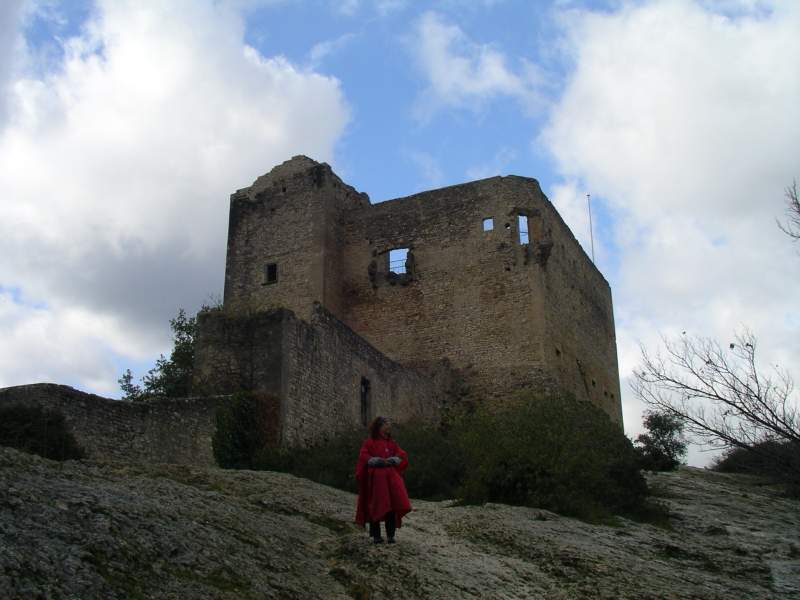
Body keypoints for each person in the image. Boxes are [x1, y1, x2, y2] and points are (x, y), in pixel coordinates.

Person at [354, 416, 411, 544]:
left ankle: (390, 535)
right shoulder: (370, 442)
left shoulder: (391, 443)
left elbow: (401, 454)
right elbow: (363, 456)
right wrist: (375, 461)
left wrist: (395, 459)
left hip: (391, 480)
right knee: (376, 506)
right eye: (386, 424)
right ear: (379, 426)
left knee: (391, 506)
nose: (388, 426)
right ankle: (376, 536)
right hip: (377, 481)